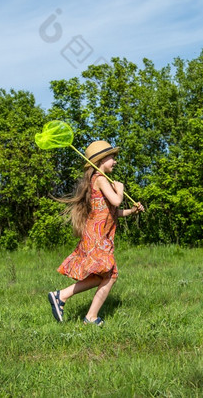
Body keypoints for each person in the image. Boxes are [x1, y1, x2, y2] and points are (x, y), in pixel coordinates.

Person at [48, 140, 144, 326]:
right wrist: (121, 190)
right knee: (111, 275)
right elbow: (116, 201)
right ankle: (86, 315)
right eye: (112, 158)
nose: (115, 161)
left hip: (98, 236)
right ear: (100, 160)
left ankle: (64, 298)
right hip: (96, 237)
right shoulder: (99, 179)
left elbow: (112, 211)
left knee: (104, 276)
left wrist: (132, 211)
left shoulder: (100, 179)